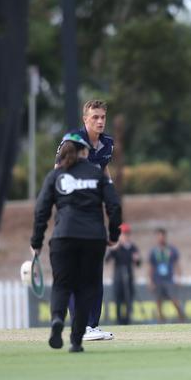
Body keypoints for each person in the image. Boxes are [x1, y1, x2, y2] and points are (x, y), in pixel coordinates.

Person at [31, 133, 122, 352]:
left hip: (63, 237)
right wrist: (113, 235)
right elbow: (114, 206)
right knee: (86, 288)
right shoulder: (97, 174)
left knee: (63, 285)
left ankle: (56, 320)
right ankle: (76, 340)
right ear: (84, 152)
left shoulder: (55, 176)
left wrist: (36, 241)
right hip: (93, 238)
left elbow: (41, 210)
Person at [55, 99, 115, 341]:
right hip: (71, 213)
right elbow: (57, 171)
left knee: (93, 270)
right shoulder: (72, 140)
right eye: (95, 117)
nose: (100, 121)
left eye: (102, 117)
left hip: (93, 214)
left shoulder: (107, 143)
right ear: (85, 119)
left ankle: (92, 324)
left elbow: (104, 170)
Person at [105, 223, 141, 325]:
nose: (125, 236)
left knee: (128, 301)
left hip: (129, 277)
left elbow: (138, 263)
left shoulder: (132, 247)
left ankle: (127, 321)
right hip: (118, 278)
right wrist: (113, 249)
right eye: (123, 234)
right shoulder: (117, 247)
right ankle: (119, 322)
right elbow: (107, 260)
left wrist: (136, 259)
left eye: (126, 234)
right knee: (118, 301)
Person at [148, 228, 184, 323]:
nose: (160, 239)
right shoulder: (154, 251)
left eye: (162, 236)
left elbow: (177, 264)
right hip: (158, 280)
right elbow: (151, 267)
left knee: (174, 299)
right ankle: (161, 320)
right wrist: (150, 281)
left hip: (169, 280)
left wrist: (179, 277)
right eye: (158, 237)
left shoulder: (171, 250)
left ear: (165, 237)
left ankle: (181, 317)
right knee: (159, 301)